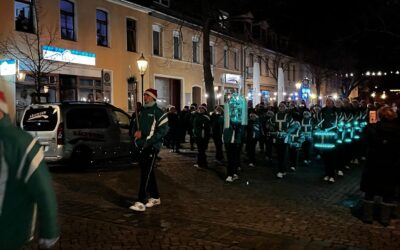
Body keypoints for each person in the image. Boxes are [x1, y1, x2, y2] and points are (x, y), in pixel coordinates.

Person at [0, 90, 59, 249]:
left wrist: (49, 231)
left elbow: (43, 190)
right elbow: (44, 190)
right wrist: (49, 233)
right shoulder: (21, 142)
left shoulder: (19, 143)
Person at [358, 106, 400, 226]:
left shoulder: (373, 128)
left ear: (380, 115)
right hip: (391, 165)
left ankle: (368, 217)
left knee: (370, 192)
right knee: (388, 193)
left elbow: (364, 141)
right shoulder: (398, 130)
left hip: (374, 164)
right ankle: (385, 218)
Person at [129, 88, 169, 212]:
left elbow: (162, 131)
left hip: (151, 146)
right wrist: (135, 133)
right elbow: (134, 126)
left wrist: (148, 142)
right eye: (144, 95)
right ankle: (155, 197)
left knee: (145, 173)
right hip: (142, 145)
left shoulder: (159, 113)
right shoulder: (141, 112)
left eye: (146, 95)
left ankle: (141, 201)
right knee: (148, 172)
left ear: (152, 97)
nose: (144, 97)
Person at [192, 105, 211, 169]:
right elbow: (193, 124)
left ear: (204, 110)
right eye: (199, 108)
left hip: (203, 136)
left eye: (202, 108)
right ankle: (202, 163)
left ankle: (201, 163)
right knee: (201, 150)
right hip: (198, 135)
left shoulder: (206, 117)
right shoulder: (196, 116)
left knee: (201, 150)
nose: (200, 109)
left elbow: (207, 126)